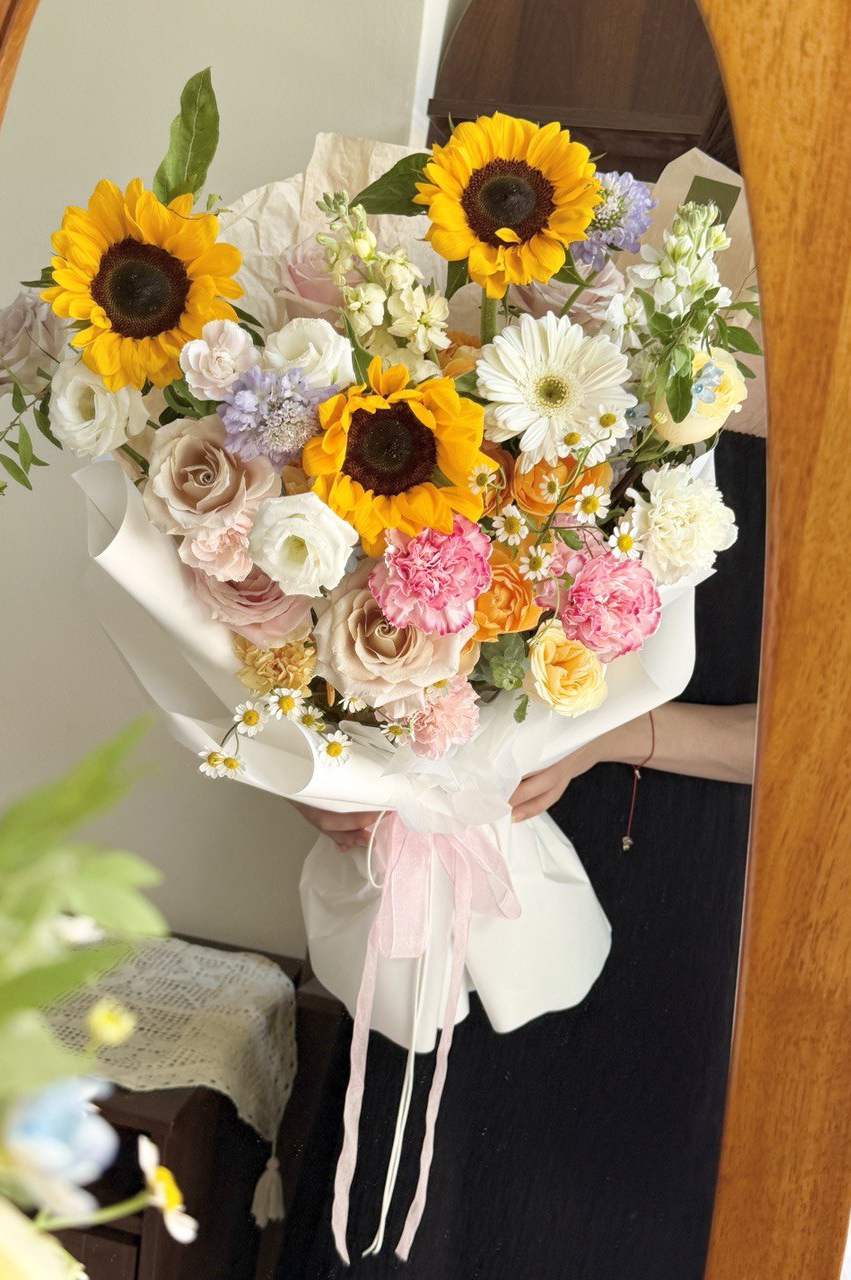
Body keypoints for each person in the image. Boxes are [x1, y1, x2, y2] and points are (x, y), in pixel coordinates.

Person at [277, 397, 765, 1278]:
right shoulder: (565, 299)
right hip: (447, 836)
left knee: (594, 1206)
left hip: (687, 883)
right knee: (430, 1183)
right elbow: (361, 585)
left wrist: (602, 733)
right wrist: (317, 765)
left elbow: (822, 748)